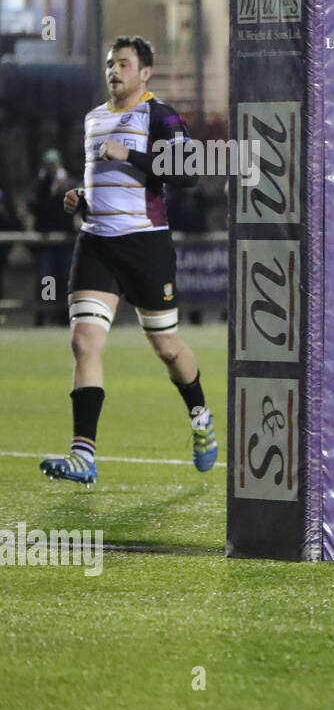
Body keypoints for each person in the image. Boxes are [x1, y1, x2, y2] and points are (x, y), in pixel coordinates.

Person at [39, 35, 217, 486]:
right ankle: (84, 454)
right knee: (83, 341)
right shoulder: (94, 118)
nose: (114, 71)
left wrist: (131, 154)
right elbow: (102, 179)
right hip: (97, 242)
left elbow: (188, 175)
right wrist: (81, 197)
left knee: (168, 348)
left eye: (123, 64)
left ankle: (199, 415)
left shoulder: (162, 114)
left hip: (145, 246)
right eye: (109, 64)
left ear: (145, 73)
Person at [28, 148, 77, 326]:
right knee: (47, 279)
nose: (51, 168)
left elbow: (76, 207)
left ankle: (64, 316)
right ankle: (43, 315)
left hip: (65, 240)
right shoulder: (39, 184)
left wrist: (63, 191)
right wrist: (50, 193)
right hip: (46, 241)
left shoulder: (70, 182)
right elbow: (33, 206)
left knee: (66, 278)